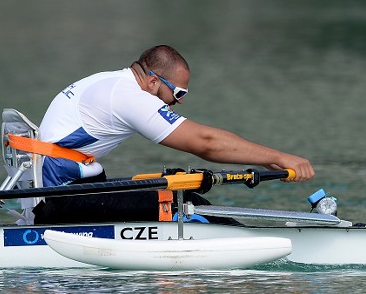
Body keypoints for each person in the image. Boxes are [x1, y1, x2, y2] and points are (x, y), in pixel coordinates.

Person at [31, 44, 314, 224]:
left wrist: (265, 160)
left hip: (60, 190)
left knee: (181, 188)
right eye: (177, 93)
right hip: (61, 198)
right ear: (153, 81)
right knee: (187, 203)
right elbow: (206, 143)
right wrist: (278, 157)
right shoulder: (128, 96)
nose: (178, 102)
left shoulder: (111, 81)